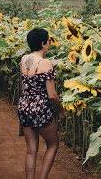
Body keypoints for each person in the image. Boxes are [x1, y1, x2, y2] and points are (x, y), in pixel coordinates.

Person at [18, 28, 66, 179]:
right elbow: (52, 95)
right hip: (40, 108)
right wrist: (60, 112)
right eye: (49, 40)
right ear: (43, 43)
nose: (50, 43)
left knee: (31, 150)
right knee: (52, 145)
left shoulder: (24, 59)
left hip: (24, 105)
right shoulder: (46, 63)